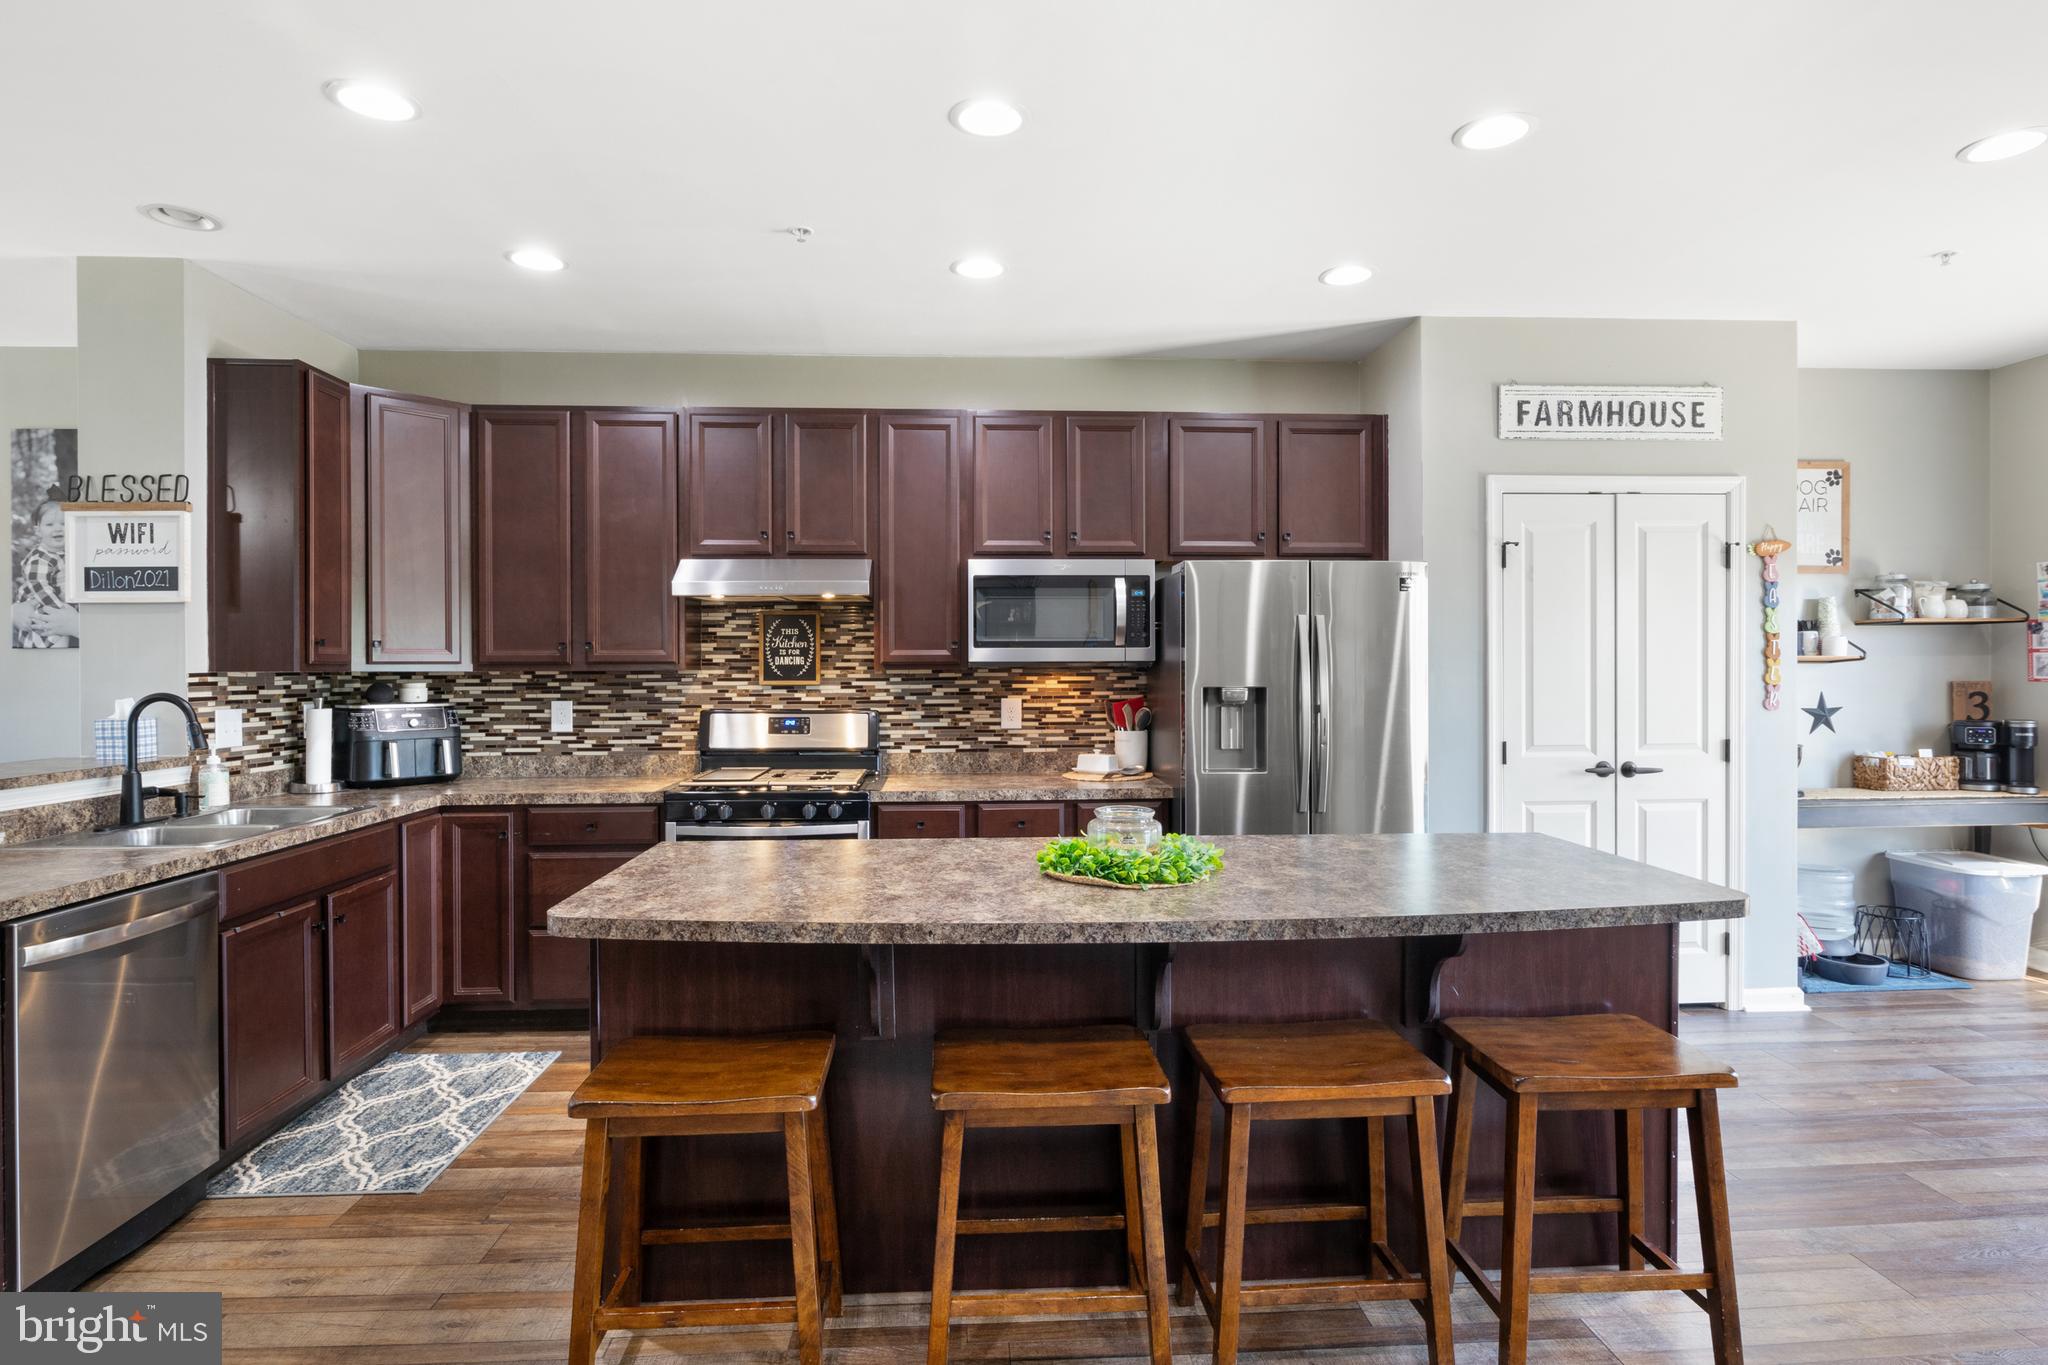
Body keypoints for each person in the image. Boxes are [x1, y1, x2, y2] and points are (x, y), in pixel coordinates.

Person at [11, 492, 76, 648]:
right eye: (50, 525)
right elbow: (40, 588)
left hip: (59, 611)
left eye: (63, 523)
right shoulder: (39, 559)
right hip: (44, 610)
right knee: (59, 640)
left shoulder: (64, 553)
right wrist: (61, 612)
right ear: (38, 530)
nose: (58, 529)